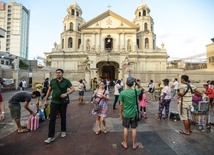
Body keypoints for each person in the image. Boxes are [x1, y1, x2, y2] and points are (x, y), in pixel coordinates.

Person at [44, 68, 75, 144]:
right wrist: (46, 99)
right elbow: (49, 90)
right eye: (57, 73)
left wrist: (66, 94)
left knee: (63, 117)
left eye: (59, 72)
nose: (58, 74)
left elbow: (72, 89)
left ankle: (63, 130)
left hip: (63, 102)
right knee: (52, 119)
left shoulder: (66, 81)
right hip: (54, 102)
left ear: (62, 73)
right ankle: (50, 136)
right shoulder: (53, 81)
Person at [118, 76, 142, 150]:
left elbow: (121, 104)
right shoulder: (135, 91)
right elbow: (142, 88)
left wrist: (120, 114)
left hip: (126, 113)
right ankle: (134, 144)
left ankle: (125, 143)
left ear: (126, 83)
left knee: (126, 128)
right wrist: (136, 82)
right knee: (134, 128)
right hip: (134, 113)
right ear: (133, 84)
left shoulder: (122, 93)